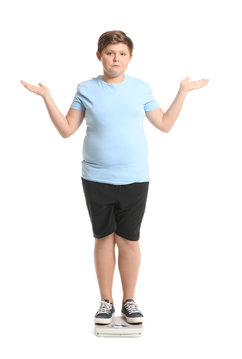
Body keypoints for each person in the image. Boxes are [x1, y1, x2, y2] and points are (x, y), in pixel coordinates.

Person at [20, 30, 209, 326]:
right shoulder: (85, 88)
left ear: (130, 58)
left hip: (135, 178)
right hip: (95, 177)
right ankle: (105, 302)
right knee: (103, 238)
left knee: (129, 240)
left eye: (122, 53)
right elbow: (68, 129)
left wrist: (183, 91)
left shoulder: (141, 88)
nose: (116, 58)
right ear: (99, 56)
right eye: (110, 53)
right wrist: (47, 97)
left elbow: (165, 124)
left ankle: (129, 300)